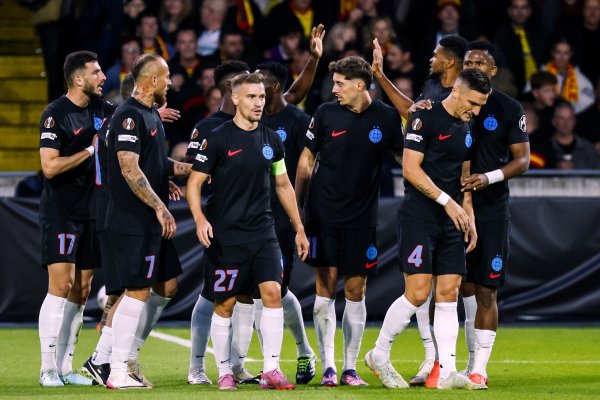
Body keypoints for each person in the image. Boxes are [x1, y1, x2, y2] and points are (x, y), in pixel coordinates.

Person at [186, 25, 324, 385]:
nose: (259, 102)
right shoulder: (217, 138)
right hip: (227, 233)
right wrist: (199, 219)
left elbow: (283, 184)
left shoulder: (272, 140)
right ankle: (225, 372)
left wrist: (299, 228)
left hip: (264, 232)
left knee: (273, 293)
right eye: (251, 97)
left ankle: (271, 369)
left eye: (262, 96)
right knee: (226, 302)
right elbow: (195, 183)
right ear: (235, 99)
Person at [364, 68, 490, 391]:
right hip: (420, 216)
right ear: (457, 91)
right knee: (418, 293)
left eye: (481, 105)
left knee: (449, 294)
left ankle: (446, 372)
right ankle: (379, 354)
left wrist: (469, 216)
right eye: (473, 103)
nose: (476, 111)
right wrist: (447, 201)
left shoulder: (467, 126)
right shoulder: (424, 117)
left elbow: (464, 175)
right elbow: (410, 169)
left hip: (453, 219)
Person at [295, 56, 404, 387]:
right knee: (325, 288)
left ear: (360, 85)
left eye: (340, 83)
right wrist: (298, 207)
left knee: (356, 290)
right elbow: (306, 160)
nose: (334, 89)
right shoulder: (325, 113)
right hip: (322, 214)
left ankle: (350, 368)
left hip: (362, 217)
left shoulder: (386, 117)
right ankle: (329, 366)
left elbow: (405, 156)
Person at [104, 54, 190, 389]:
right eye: (166, 77)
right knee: (136, 291)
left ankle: (123, 363)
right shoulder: (128, 115)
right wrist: (159, 206)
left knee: (154, 288)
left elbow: (156, 162)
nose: (170, 82)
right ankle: (116, 370)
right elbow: (129, 167)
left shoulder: (150, 113)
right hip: (131, 218)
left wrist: (194, 170)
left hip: (145, 219)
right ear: (152, 80)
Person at [38, 50, 115, 387]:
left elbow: (129, 124)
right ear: (79, 78)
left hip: (93, 211)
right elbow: (50, 166)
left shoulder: (103, 109)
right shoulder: (55, 114)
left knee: (82, 290)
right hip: (62, 211)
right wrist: (89, 150)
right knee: (61, 286)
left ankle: (65, 367)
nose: (103, 77)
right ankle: (47, 369)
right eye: (96, 72)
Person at [458, 40, 531, 388]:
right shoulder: (448, 104)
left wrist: (489, 177)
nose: (473, 66)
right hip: (454, 208)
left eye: (480, 62)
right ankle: (447, 363)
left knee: (487, 289)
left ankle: (479, 368)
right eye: (468, 61)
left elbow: (523, 159)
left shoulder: (508, 107)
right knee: (460, 288)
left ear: (493, 71)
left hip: (492, 210)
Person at [255, 61, 317, 384]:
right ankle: (267, 364)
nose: (254, 88)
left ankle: (293, 356)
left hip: (281, 217)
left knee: (273, 290)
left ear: (274, 86)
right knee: (262, 291)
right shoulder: (252, 117)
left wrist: (299, 217)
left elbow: (306, 167)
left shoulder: (298, 121)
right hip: (250, 215)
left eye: (260, 82)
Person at [550, 102, 600, 169]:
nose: (566, 123)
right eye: (561, 118)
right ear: (554, 121)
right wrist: (555, 170)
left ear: (574, 121)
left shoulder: (588, 149)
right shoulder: (545, 148)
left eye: (569, 119)